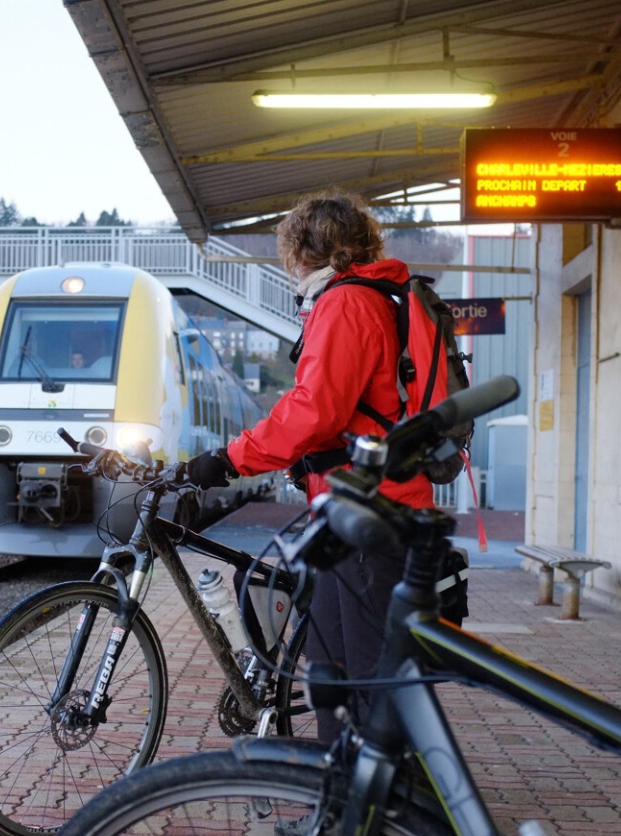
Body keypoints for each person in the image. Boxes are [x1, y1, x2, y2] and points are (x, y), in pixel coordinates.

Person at [185, 190, 438, 741]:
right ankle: (340, 800)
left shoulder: (346, 303)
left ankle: (379, 818)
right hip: (354, 507)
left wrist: (230, 458)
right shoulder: (370, 296)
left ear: (305, 249)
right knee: (332, 666)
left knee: (367, 675)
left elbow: (315, 410)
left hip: (373, 512)